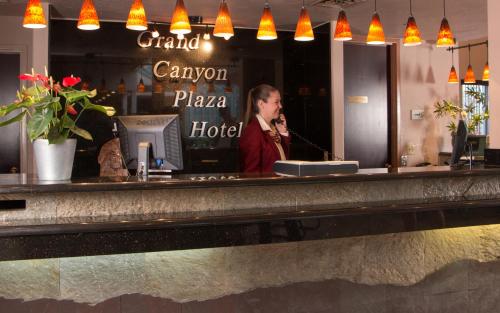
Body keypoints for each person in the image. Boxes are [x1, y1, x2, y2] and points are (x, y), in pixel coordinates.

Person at [239, 84, 291, 173]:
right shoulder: (253, 132)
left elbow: (283, 161)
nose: (280, 106)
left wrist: (283, 132)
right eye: (276, 102)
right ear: (261, 104)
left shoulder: (271, 128)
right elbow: (251, 173)